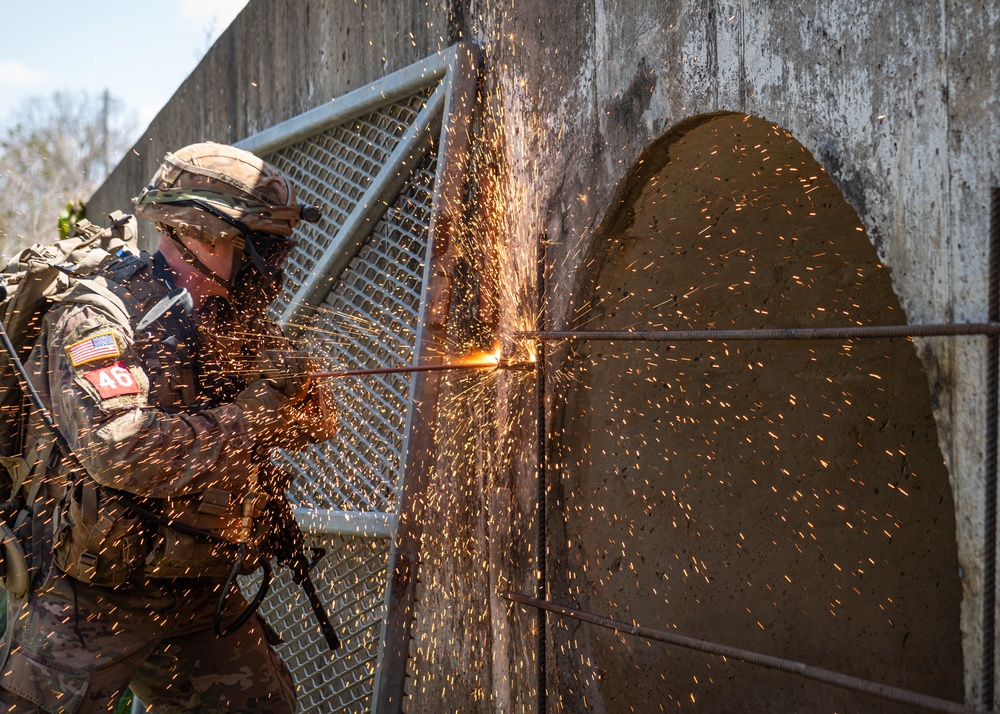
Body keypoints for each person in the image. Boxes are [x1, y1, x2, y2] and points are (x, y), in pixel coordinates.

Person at [0, 142, 337, 713]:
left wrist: (297, 391)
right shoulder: (99, 315)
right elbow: (121, 451)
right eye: (261, 247)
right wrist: (251, 418)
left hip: (200, 584)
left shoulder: (233, 317)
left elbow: (317, 423)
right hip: (94, 595)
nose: (273, 268)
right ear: (204, 235)